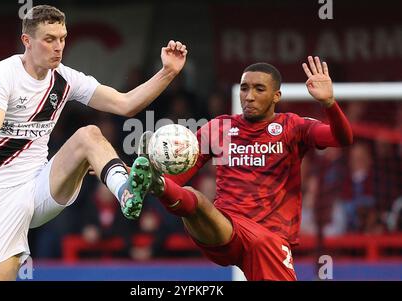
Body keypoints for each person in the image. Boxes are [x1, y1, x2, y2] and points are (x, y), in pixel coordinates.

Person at [0, 5, 187, 280]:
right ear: (27, 41)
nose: (58, 47)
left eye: (62, 38)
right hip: (0, 193)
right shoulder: (3, 75)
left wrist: (167, 72)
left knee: (89, 135)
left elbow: (126, 104)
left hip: (41, 185)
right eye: (49, 39)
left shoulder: (65, 79)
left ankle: (125, 191)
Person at [130, 56, 353, 280]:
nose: (249, 96)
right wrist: (139, 176)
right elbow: (176, 180)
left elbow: (341, 138)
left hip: (269, 238)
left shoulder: (292, 126)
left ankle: (155, 182)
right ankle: (155, 182)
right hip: (227, 231)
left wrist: (329, 103)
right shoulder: (219, 128)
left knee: (250, 235)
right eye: (244, 88)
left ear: (276, 96)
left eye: (259, 89)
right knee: (193, 197)